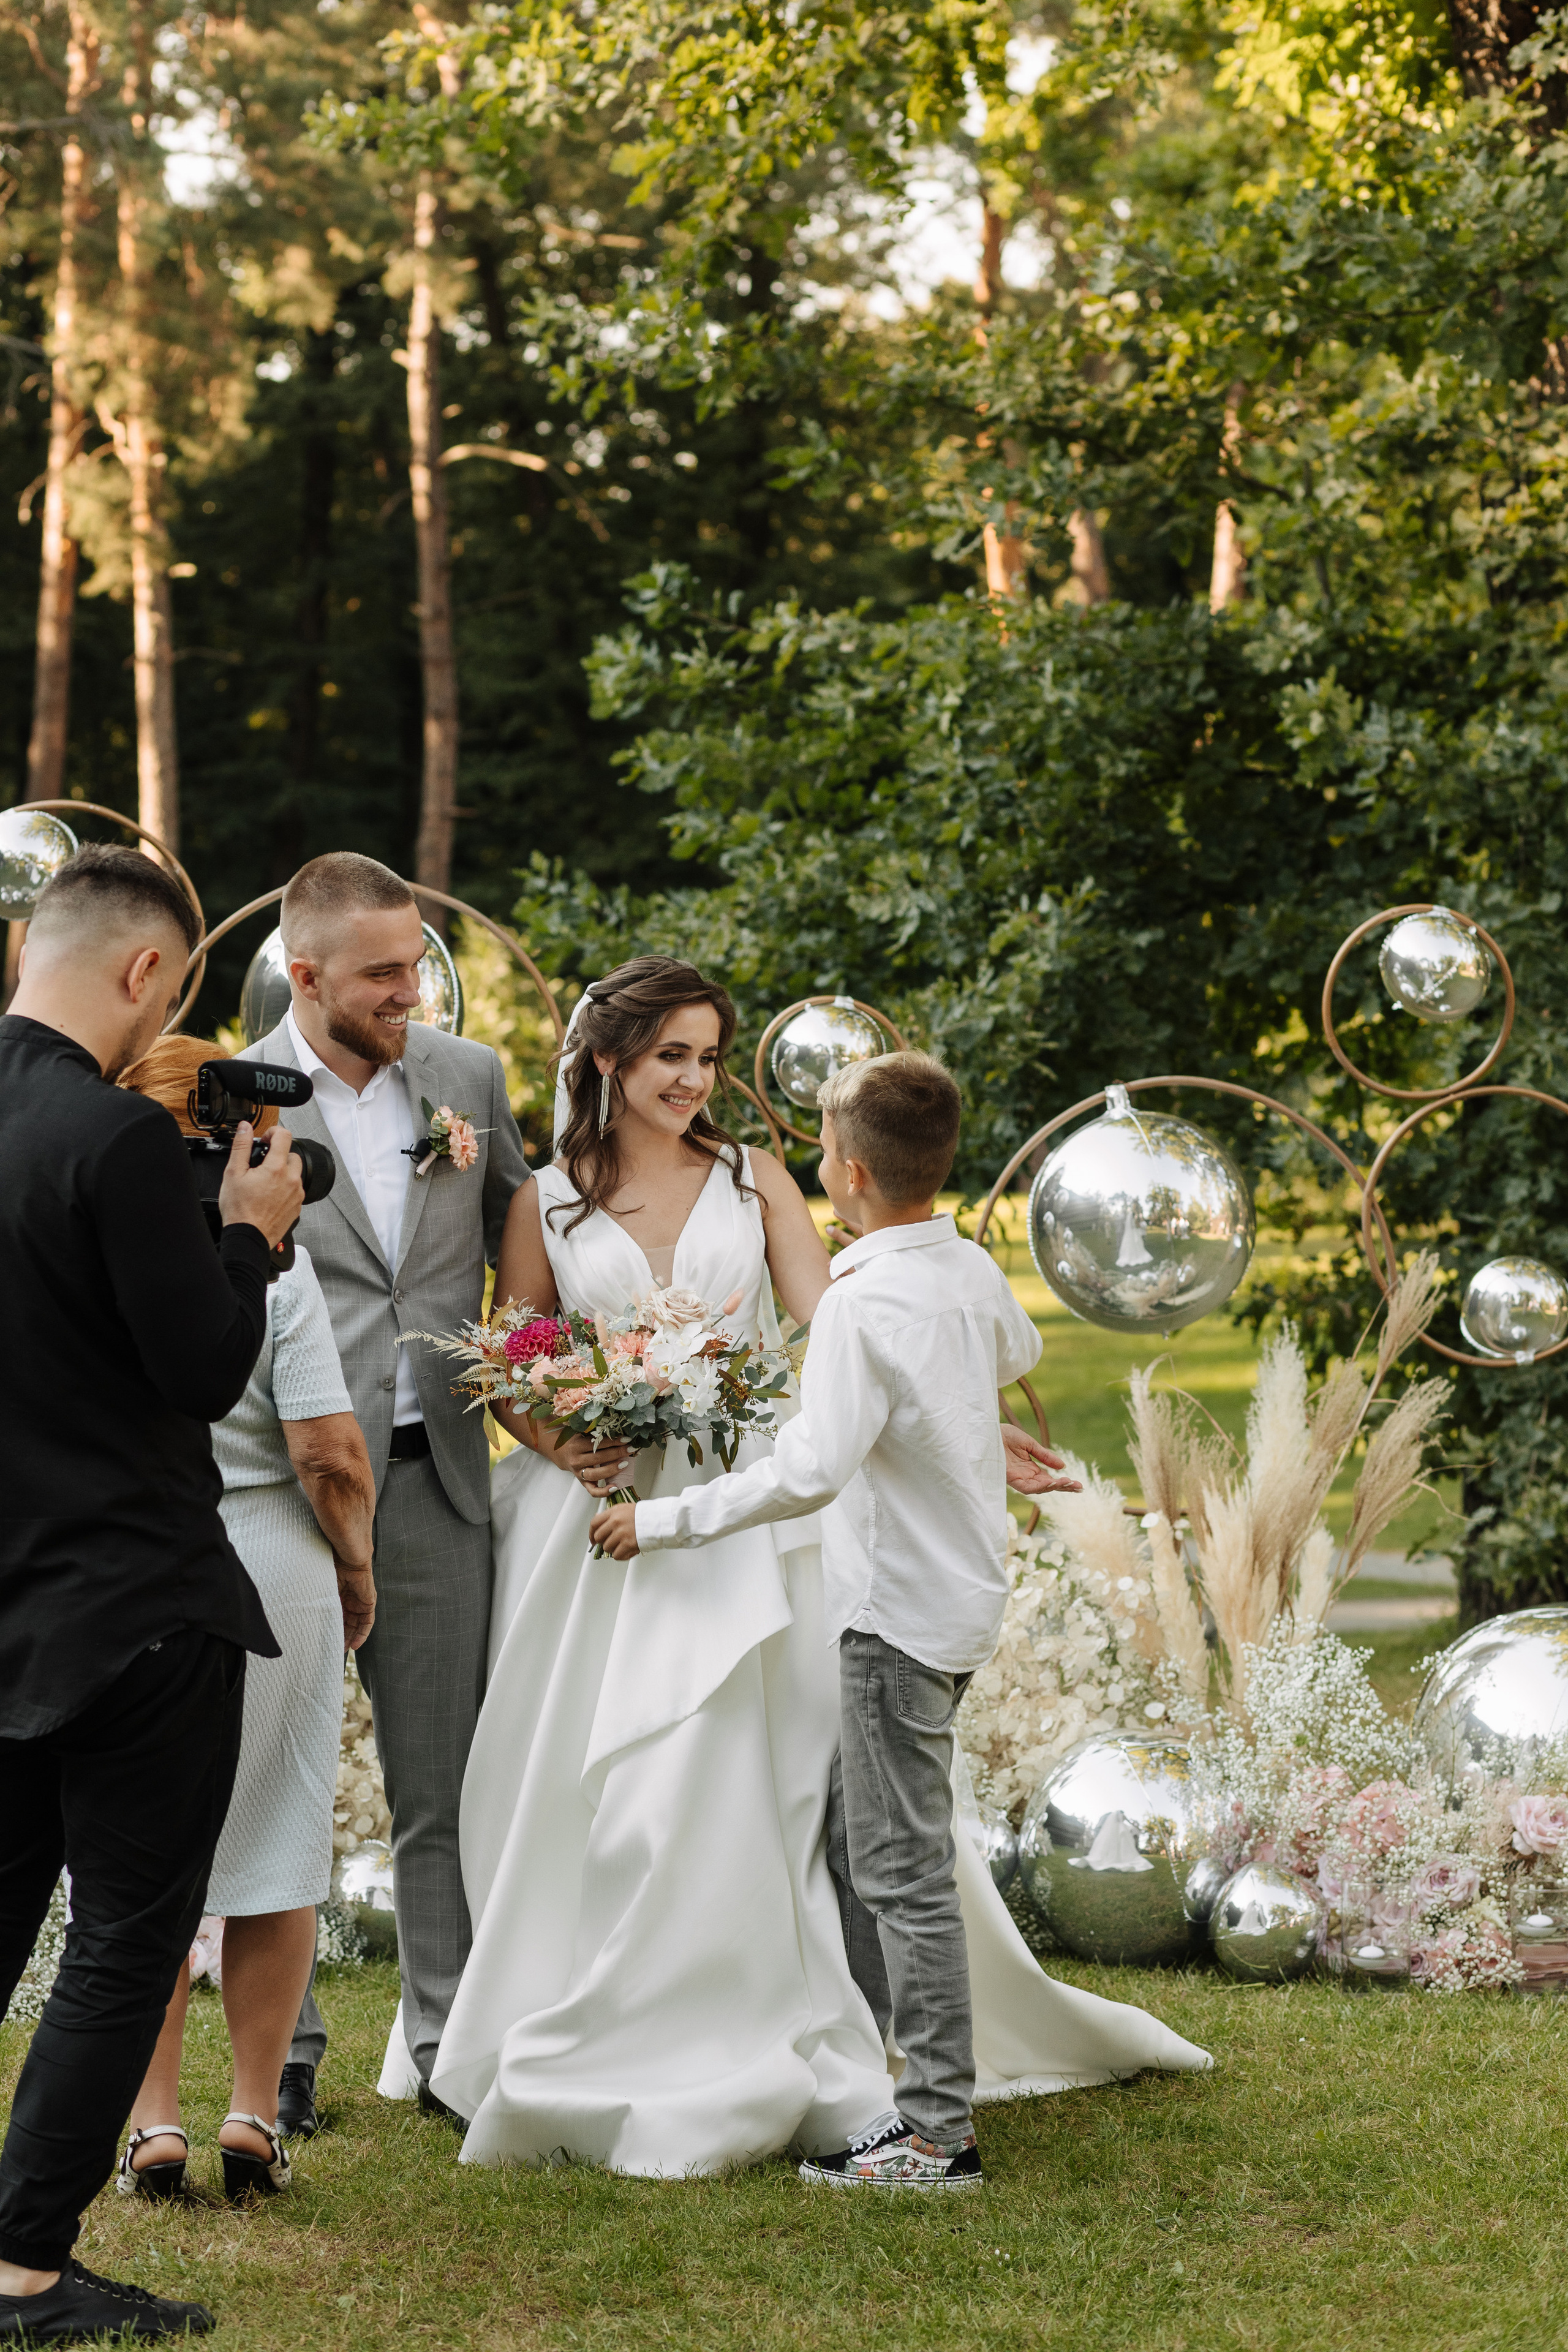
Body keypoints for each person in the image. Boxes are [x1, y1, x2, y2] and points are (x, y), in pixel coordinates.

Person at [429, 960, 1209, 2175]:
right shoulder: (546, 1200)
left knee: (757, 1773)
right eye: (668, 1057)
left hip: (756, 1511)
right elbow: (516, 1345)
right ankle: (585, 2001)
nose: (692, 1080)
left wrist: (961, 1421)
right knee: (592, 1782)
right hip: (594, 1526)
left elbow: (842, 1335)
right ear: (606, 1063)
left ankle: (780, 2012)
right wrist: (558, 1429)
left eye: (706, 1055)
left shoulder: (757, 1181)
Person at [0, 847, 303, 2343]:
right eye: (170, 994)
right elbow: (197, 1369)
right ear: (142, 975)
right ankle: (24, 2272)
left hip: (2, 1599)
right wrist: (249, 1236)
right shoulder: (112, 1141)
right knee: (126, 1936)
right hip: (134, 1602)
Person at [251, 853, 529, 2125]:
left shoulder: (466, 1079)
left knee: (440, 1781)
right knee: (277, 1787)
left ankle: (445, 2043)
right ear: (303, 977)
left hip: (437, 1484)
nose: (408, 989)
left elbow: (518, 1242)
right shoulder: (229, 1097)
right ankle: (288, 2055)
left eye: (415, 962)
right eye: (380, 973)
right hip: (284, 1488)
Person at [113, 1037, 377, 2205]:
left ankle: (152, 2123)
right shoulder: (275, 1267)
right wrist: (356, 1566)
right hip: (273, 1564)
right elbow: (326, 1449)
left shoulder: (95, 1255)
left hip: (136, 1562)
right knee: (275, 1845)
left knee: (144, 1856)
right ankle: (255, 2116)